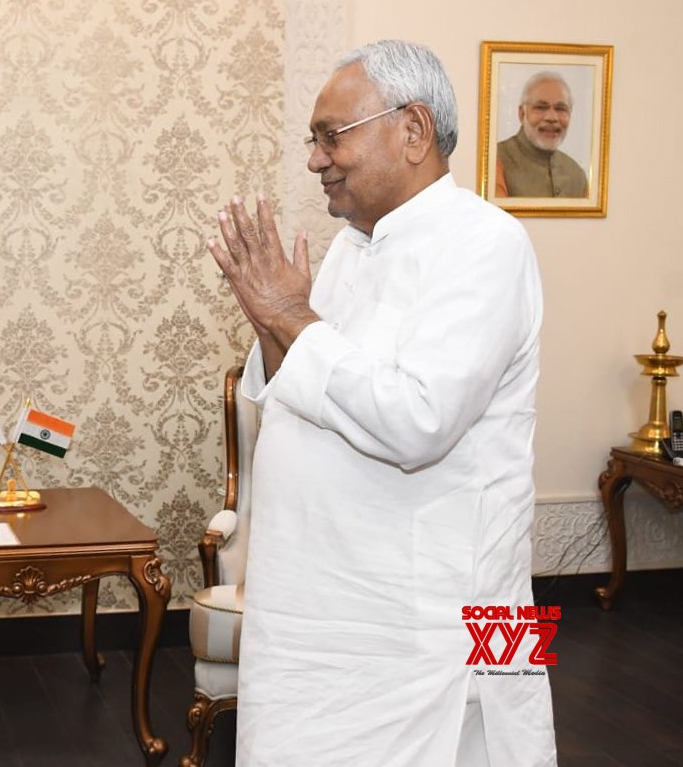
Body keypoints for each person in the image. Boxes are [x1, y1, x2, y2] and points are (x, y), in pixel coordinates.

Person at [207, 41, 556, 766]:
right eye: (313, 139)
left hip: (425, 622)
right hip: (321, 611)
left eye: (332, 135)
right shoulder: (352, 247)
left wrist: (291, 319)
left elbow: (416, 422)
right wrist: (277, 321)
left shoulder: (486, 244)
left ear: (414, 131)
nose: (315, 159)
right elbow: (301, 390)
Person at [495, 71, 588, 197]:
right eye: (541, 107)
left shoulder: (577, 176)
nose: (552, 117)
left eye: (560, 109)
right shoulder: (496, 160)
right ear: (522, 114)